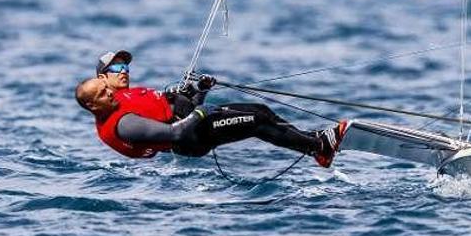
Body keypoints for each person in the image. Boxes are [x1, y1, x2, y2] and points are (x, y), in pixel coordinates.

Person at [75, 53, 347, 167]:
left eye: (126, 67)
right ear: (100, 79)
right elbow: (175, 133)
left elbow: (183, 108)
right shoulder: (121, 122)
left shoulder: (127, 96)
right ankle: (319, 146)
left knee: (259, 110)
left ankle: (314, 142)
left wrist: (199, 90)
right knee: (256, 121)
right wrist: (200, 113)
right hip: (193, 136)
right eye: (116, 69)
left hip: (195, 124)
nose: (123, 73)